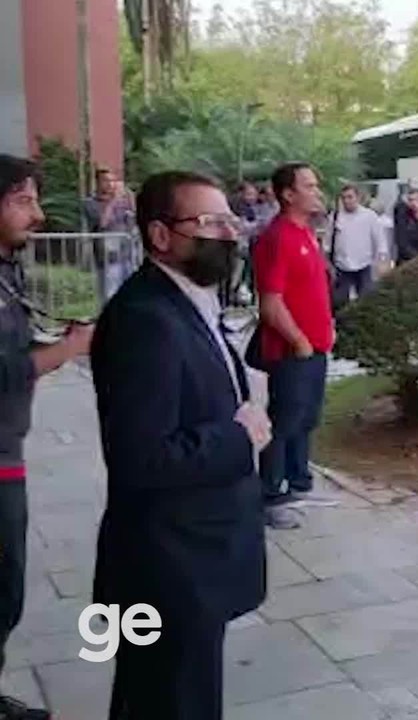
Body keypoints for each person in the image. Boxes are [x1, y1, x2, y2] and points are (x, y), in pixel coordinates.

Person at [90, 170, 269, 720]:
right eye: (207, 222)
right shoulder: (146, 319)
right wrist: (241, 437)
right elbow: (143, 458)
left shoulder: (184, 301)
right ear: (160, 236)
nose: (226, 234)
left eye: (228, 220)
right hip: (167, 569)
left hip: (186, 564)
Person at [0, 155, 93, 720]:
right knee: (4, 587)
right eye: (22, 201)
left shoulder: (8, 269)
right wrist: (72, 348)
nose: (36, 215)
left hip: (9, 443)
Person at [252, 163, 334, 530]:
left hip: (315, 346)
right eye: (310, 186)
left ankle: (299, 481)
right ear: (288, 194)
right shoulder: (279, 237)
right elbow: (271, 302)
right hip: (292, 351)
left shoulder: (306, 234)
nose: (317, 191)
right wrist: (299, 341)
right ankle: (269, 495)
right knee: (284, 421)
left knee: (305, 418)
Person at [84, 168, 137, 303]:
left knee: (131, 294)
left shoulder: (122, 203)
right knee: (110, 296)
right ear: (98, 183)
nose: (110, 184)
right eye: (106, 181)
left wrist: (130, 199)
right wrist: (113, 201)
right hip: (107, 259)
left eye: (113, 181)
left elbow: (133, 221)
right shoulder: (91, 203)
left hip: (128, 255)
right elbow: (102, 223)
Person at [331, 184, 385, 308]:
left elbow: (380, 240)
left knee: (366, 300)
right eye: (343, 198)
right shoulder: (335, 217)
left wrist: (381, 261)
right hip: (342, 266)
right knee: (339, 301)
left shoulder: (369, 216)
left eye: (350, 197)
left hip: (364, 265)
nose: (346, 201)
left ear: (358, 198)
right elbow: (328, 241)